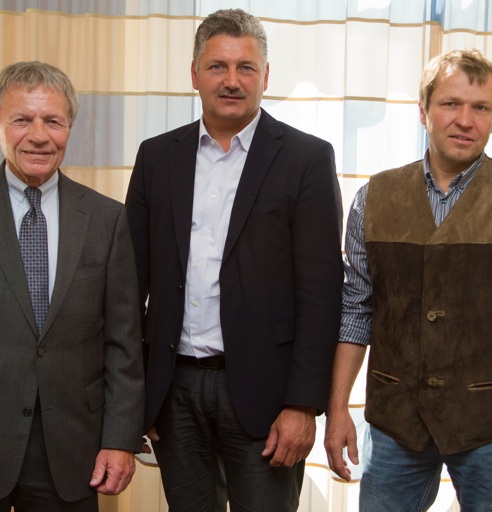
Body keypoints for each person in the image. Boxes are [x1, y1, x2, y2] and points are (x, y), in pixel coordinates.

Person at [325, 48, 492, 512]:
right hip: (396, 423)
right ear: (423, 111)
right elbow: (356, 310)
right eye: (450, 104)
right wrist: (338, 407)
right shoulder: (373, 198)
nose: (465, 120)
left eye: (480, 108)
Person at [124, 8, 343, 511]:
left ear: (266, 76)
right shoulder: (156, 157)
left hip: (267, 397)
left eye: (246, 67)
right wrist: (138, 396)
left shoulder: (307, 159)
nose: (231, 80)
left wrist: (302, 404)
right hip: (174, 390)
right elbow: (129, 285)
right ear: (194, 74)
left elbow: (321, 293)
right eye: (217, 66)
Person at [0, 61, 145, 511]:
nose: (39, 136)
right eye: (22, 120)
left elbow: (123, 344)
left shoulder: (107, 218)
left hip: (73, 454)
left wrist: (120, 439)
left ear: (69, 128)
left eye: (53, 121)